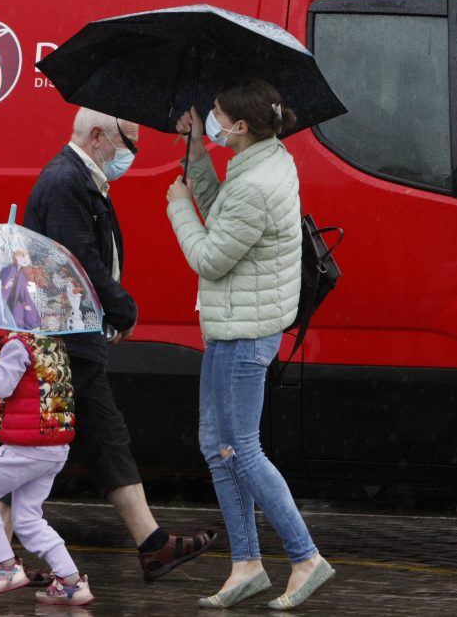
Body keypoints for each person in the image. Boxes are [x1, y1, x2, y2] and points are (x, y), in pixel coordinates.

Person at [14, 106, 217, 582]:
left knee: (93, 442)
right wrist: (122, 307)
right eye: (130, 144)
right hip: (61, 340)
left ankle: (152, 544)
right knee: (46, 447)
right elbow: (78, 260)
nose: (133, 155)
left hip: (72, 339)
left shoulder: (82, 182)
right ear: (100, 136)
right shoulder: (67, 182)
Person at [165, 78, 335, 610]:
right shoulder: (265, 158)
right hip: (232, 326)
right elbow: (223, 209)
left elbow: (211, 256)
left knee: (241, 448)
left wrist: (176, 207)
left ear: (239, 127)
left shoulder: (257, 183)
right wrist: (196, 152)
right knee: (217, 446)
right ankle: (246, 565)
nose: (210, 118)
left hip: (243, 334)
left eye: (215, 115)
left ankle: (306, 557)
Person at [0, 332, 94, 607]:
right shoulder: (52, 342)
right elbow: (24, 385)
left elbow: (1, 386)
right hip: (54, 448)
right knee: (28, 520)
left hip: (26, 447)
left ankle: (5, 566)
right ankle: (70, 582)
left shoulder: (18, 344)